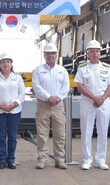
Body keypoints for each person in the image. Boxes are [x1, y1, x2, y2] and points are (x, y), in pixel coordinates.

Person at [74, 40, 110, 170]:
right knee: (86, 131)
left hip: (103, 102)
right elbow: (79, 86)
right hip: (88, 102)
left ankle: (101, 159)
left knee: (103, 130)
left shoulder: (106, 68)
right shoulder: (82, 68)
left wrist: (102, 98)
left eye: (97, 51)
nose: (95, 54)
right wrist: (93, 97)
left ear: (100, 53)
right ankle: (87, 159)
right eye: (92, 51)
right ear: (88, 53)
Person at [32, 42, 70, 170]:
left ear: (56, 54)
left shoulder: (62, 70)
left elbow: (66, 87)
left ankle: (59, 159)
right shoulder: (38, 70)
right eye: (48, 53)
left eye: (53, 53)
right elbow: (36, 87)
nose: (51, 55)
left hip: (58, 105)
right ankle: (41, 159)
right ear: (44, 55)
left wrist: (57, 98)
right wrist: (48, 97)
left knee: (60, 134)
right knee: (42, 134)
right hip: (43, 104)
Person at [0, 53, 25, 169]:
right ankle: (2, 159)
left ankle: (11, 160)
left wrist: (14, 104)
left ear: (11, 64)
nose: (6, 64)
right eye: (3, 62)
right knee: (1, 136)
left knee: (12, 136)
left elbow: (22, 93)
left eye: (8, 61)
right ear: (0, 64)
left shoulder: (17, 78)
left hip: (15, 112)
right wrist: (0, 106)